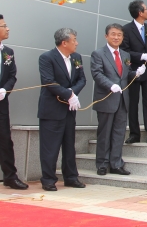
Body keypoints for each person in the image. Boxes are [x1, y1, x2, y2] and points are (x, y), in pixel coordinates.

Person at [91, 23, 145, 176]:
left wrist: (136, 73)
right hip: (107, 98)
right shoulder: (98, 54)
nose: (116, 37)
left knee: (119, 133)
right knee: (104, 133)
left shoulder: (125, 55)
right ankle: (102, 163)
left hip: (122, 99)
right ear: (106, 36)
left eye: (119, 35)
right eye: (113, 34)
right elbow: (97, 74)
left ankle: (116, 163)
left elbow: (125, 76)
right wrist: (110, 85)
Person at [38, 28, 87, 191]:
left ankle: (71, 177)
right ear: (64, 42)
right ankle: (48, 179)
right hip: (52, 109)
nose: (77, 43)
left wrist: (73, 93)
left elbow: (82, 79)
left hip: (69, 109)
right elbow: (48, 81)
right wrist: (68, 94)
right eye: (74, 40)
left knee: (69, 144)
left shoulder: (77, 58)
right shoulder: (47, 58)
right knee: (50, 146)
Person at [121, 0, 147, 145]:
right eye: (146, 9)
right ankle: (134, 134)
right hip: (134, 71)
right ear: (139, 12)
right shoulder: (126, 29)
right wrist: (141, 56)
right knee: (133, 103)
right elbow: (124, 51)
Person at [0, 15, 28, 190]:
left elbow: (12, 76)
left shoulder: (8, 52)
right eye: (4, 26)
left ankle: (10, 176)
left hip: (0, 103)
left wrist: (4, 90)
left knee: (4, 140)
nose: (7, 29)